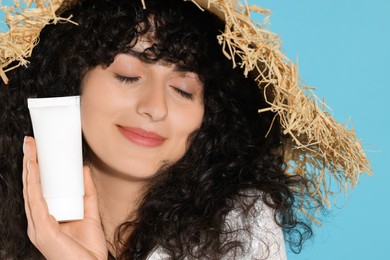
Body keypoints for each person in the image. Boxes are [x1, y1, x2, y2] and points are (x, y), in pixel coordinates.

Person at [0, 0, 370, 259]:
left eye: (182, 90)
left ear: (210, 113)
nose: (155, 107)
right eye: (128, 76)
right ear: (71, 80)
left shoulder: (243, 226)